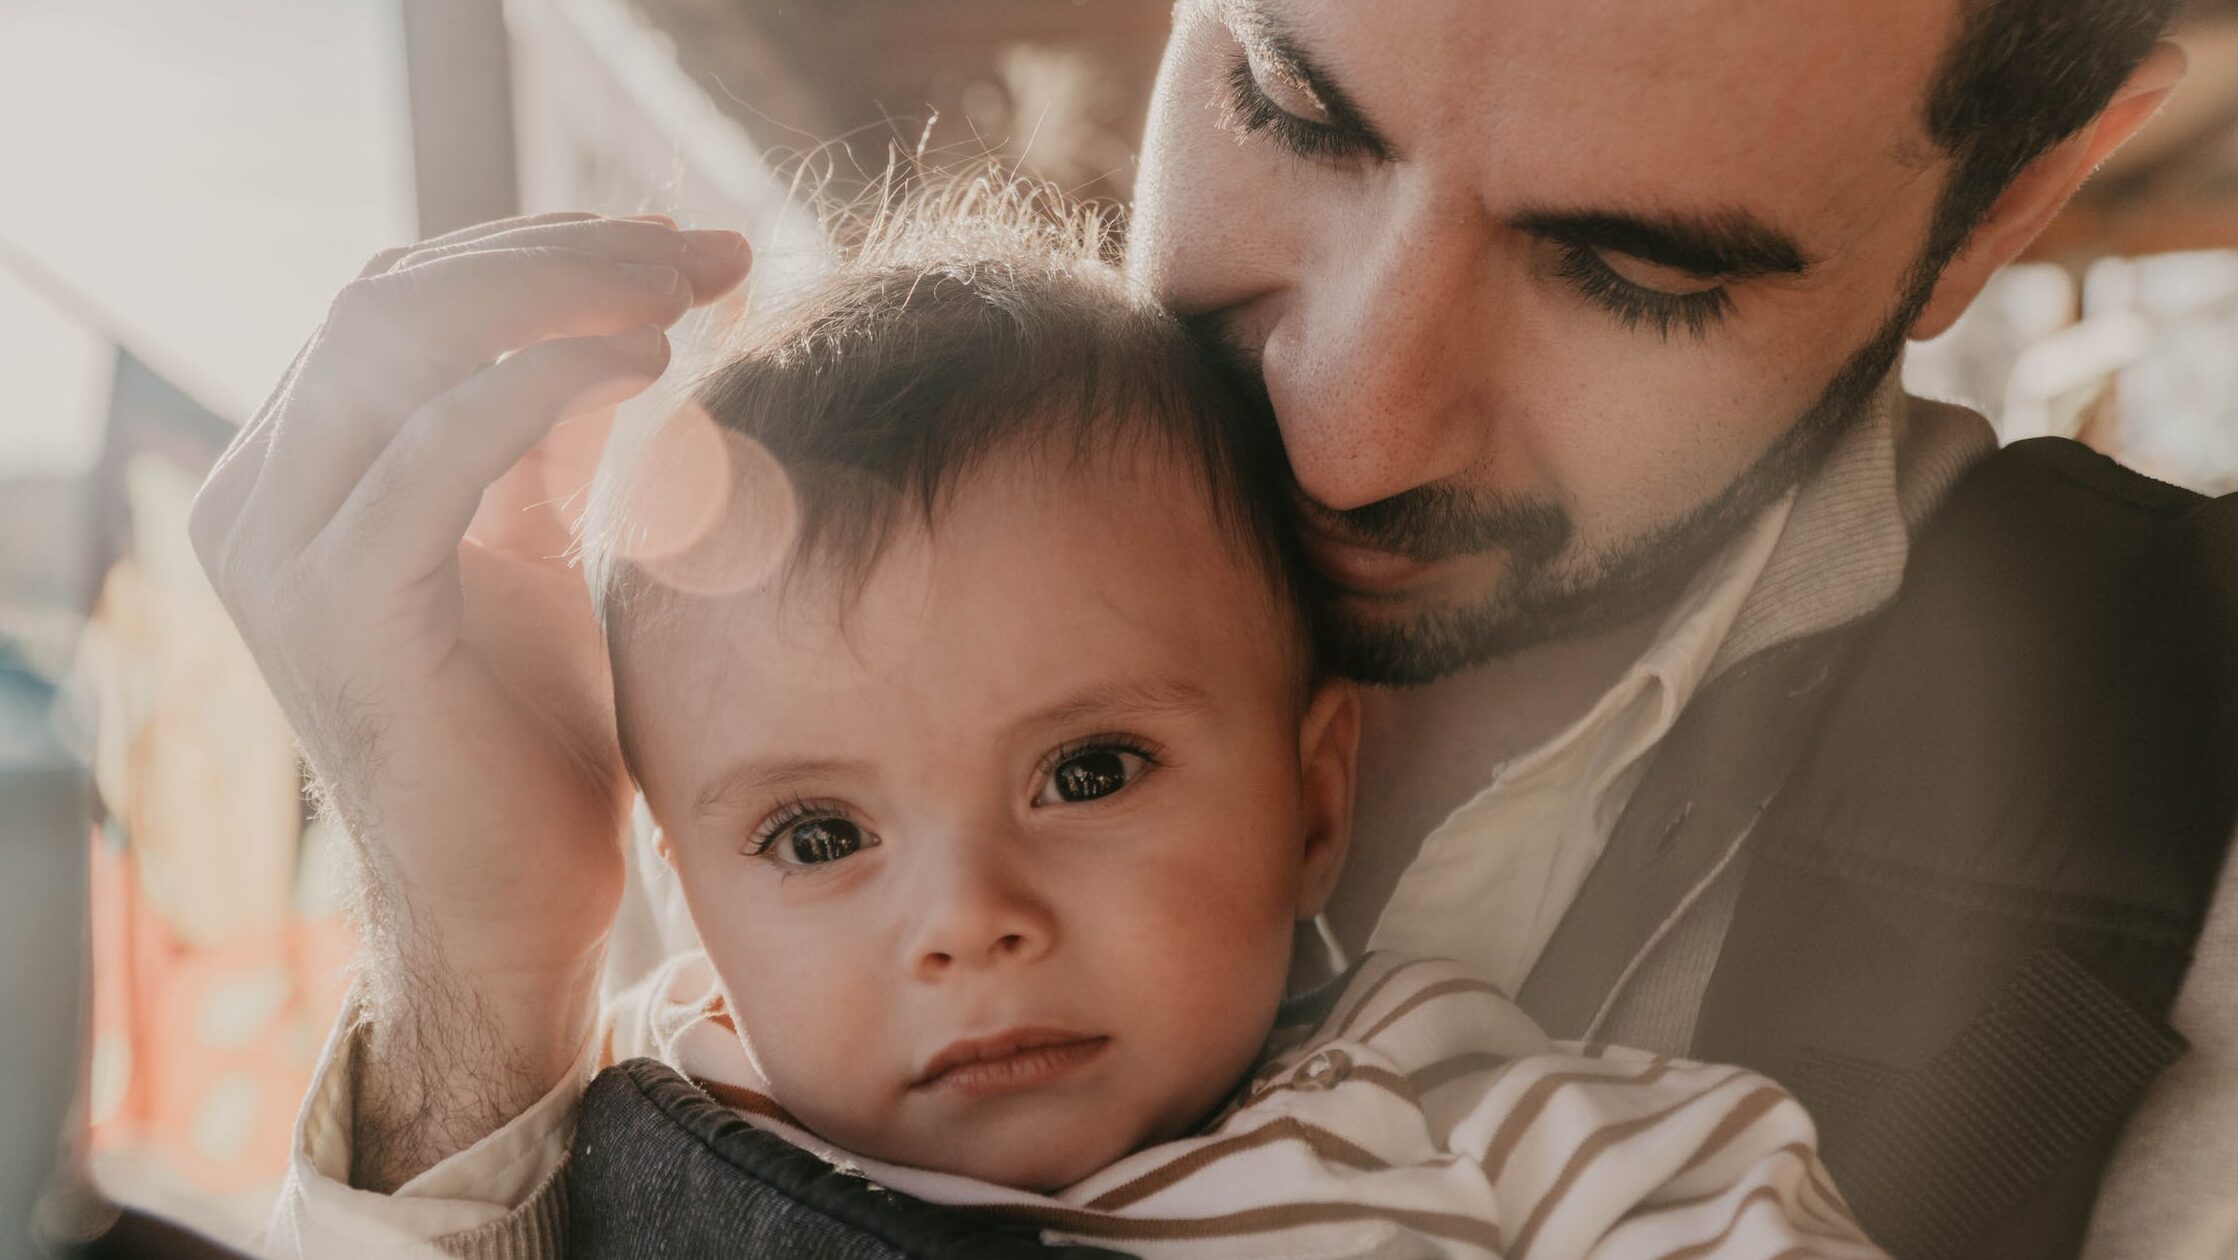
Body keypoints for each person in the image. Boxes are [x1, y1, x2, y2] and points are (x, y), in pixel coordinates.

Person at [189, 1, 2237, 1256]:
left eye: (1631, 267)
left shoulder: (2182, 816)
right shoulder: (719, 662)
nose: (1339, 430)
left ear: (2012, 200)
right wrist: (473, 972)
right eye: (1290, 103)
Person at [265, 208, 1876, 1258]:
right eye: (817, 837)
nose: (970, 922)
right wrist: (475, 966)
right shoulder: (648, 1114)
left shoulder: (1497, 1143)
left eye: (1087, 772)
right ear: (688, 889)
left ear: (1315, 795)